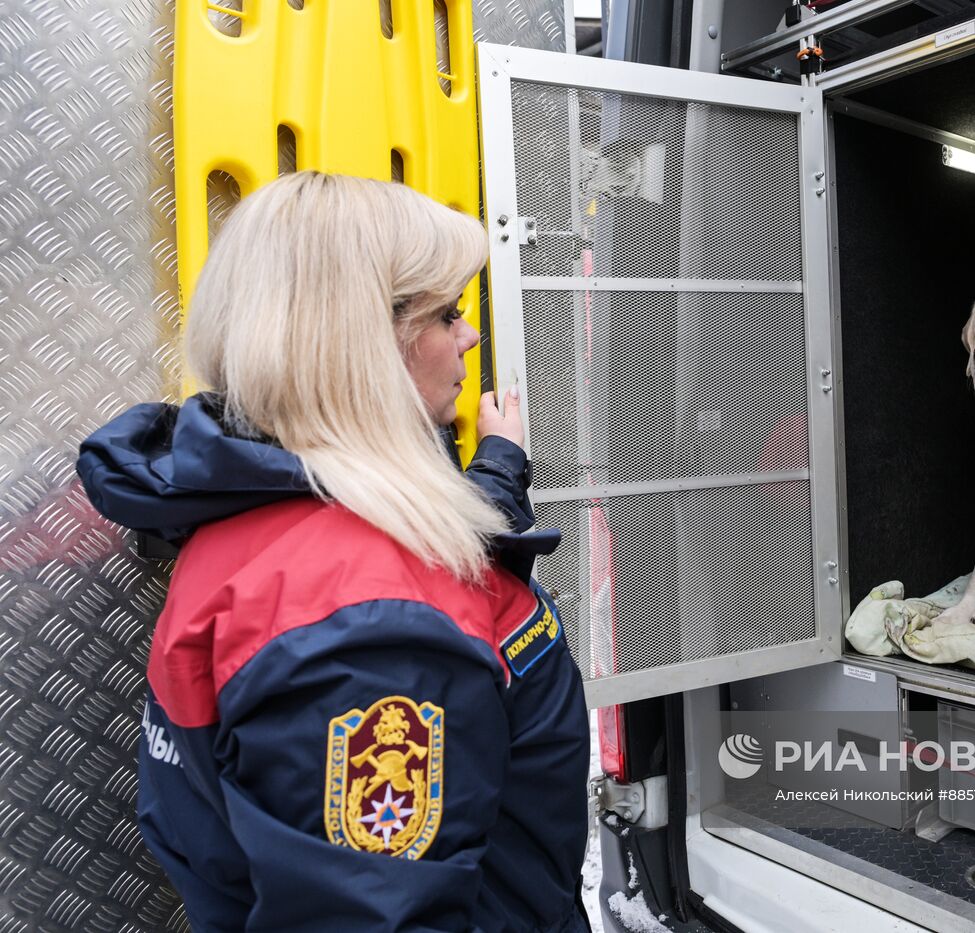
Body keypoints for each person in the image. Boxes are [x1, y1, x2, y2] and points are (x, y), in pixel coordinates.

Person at [76, 172, 590, 932]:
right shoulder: (374, 629)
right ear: (366, 344)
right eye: (447, 313)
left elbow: (433, 560)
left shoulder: (265, 504)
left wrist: (500, 464)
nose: (469, 334)